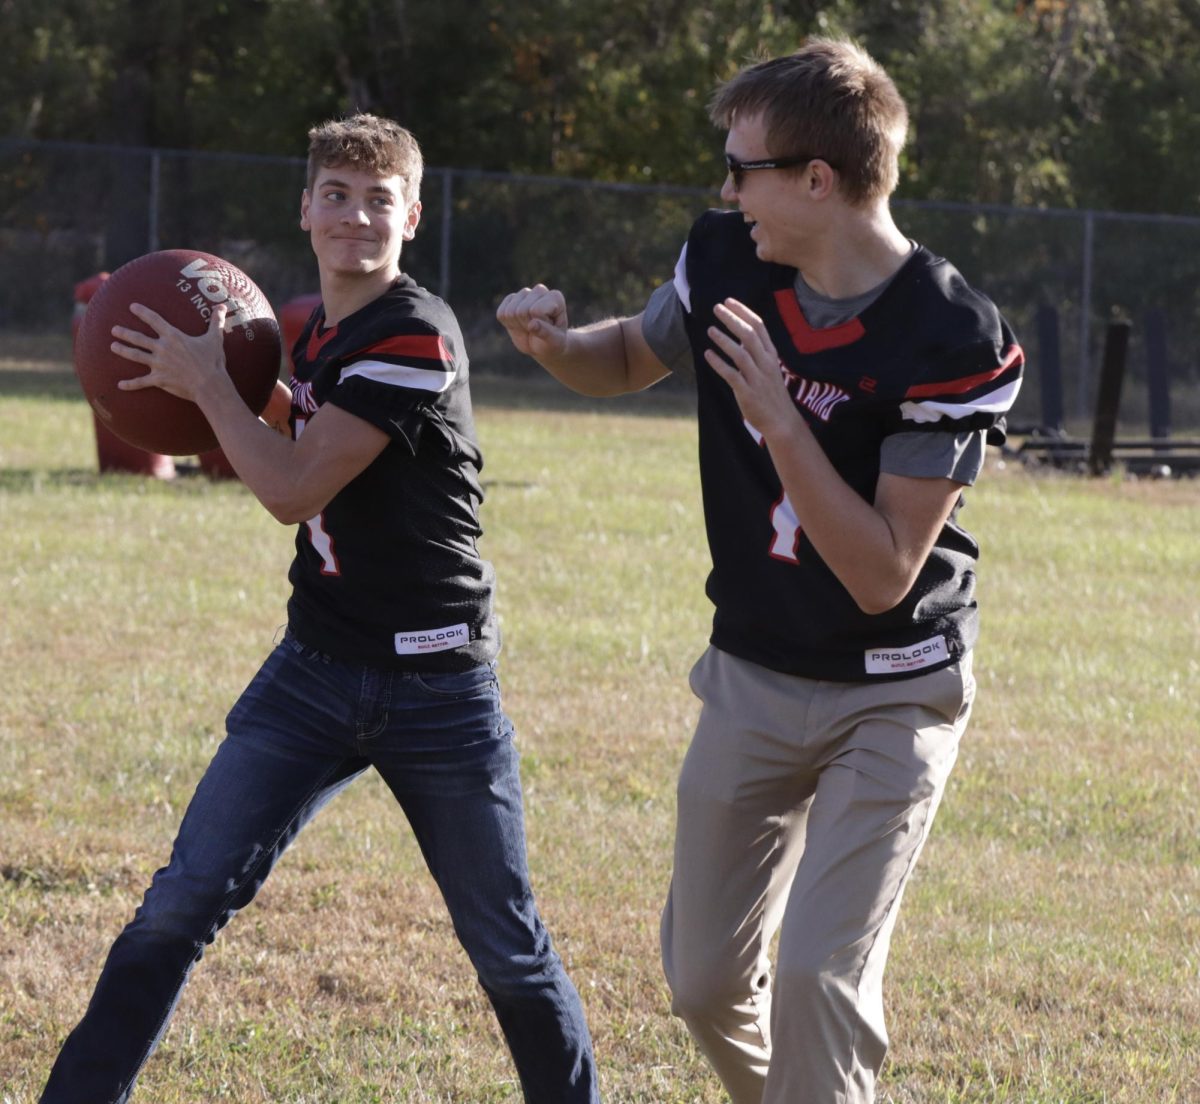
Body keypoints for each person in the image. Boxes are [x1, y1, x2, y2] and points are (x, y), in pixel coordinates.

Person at [496, 38, 1023, 1104]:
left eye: (745, 169)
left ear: (817, 180)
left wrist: (783, 421)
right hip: (755, 670)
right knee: (701, 981)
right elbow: (631, 355)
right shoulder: (728, 258)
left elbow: (882, 574)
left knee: (820, 979)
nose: (727, 191)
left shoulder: (950, 335)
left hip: (894, 687)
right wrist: (559, 347)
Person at [40, 114, 598, 1104]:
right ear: (305, 209)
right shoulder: (326, 332)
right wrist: (222, 377)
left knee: (506, 947)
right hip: (318, 667)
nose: (354, 216)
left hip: (437, 687)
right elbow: (305, 434)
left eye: (378, 200)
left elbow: (293, 489)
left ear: (412, 217)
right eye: (335, 196)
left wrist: (213, 387)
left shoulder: (415, 330)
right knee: (177, 907)